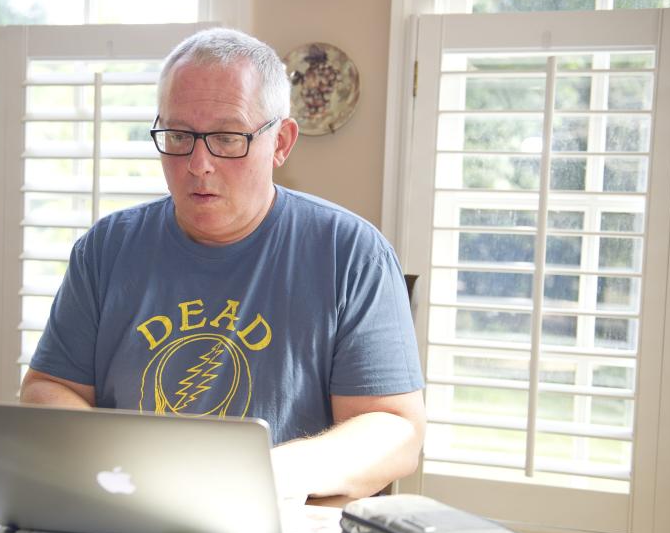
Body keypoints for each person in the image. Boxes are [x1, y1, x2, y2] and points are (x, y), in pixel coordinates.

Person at [21, 28, 425, 499]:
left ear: (281, 142)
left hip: (284, 523)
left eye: (227, 138)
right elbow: (45, 389)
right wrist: (117, 465)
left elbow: (396, 432)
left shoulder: (351, 253)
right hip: (128, 511)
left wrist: (266, 473)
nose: (198, 164)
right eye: (178, 136)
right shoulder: (106, 248)